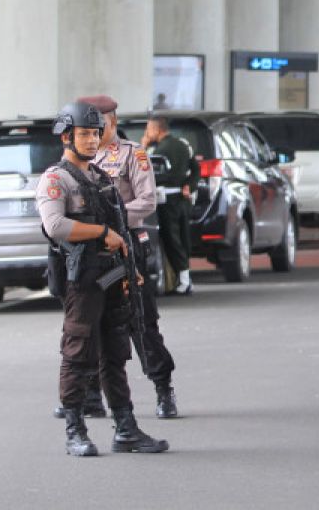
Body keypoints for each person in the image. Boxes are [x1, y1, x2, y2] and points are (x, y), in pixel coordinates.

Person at [36, 101, 167, 457]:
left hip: (112, 275)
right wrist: (100, 232)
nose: (93, 141)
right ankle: (75, 430)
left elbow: (122, 232)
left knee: (114, 353)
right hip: (82, 280)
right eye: (84, 134)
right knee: (78, 352)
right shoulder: (55, 179)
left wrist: (130, 272)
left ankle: (126, 428)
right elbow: (55, 226)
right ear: (67, 136)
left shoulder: (102, 178)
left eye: (95, 134)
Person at [83, 95, 180, 420]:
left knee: (140, 320)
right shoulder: (79, 156)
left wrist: (109, 216)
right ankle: (92, 394)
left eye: (98, 123)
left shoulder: (131, 154)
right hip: (90, 249)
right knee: (91, 320)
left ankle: (162, 387)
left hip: (125, 245)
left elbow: (147, 201)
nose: (92, 131)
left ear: (112, 120)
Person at [142, 116, 197, 295]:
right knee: (184, 237)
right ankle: (185, 278)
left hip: (166, 199)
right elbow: (196, 168)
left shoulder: (158, 150)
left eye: (149, 130)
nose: (147, 134)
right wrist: (190, 184)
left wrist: (143, 146)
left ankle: (184, 281)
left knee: (172, 239)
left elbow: (145, 171)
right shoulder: (183, 145)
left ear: (157, 130)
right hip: (183, 198)